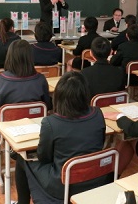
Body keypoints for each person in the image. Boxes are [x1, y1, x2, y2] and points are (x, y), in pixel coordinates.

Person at [14, 72, 108, 203]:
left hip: (63, 185)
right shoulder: (98, 113)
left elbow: (44, 157)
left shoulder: (51, 123)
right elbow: (101, 143)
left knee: (21, 157)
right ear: (85, 93)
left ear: (58, 96)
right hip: (95, 178)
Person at [0, 40, 52, 162]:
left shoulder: (0, 80)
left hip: (9, 128)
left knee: (2, 119)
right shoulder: (40, 79)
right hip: (35, 126)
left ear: (9, 57)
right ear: (31, 57)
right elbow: (48, 105)